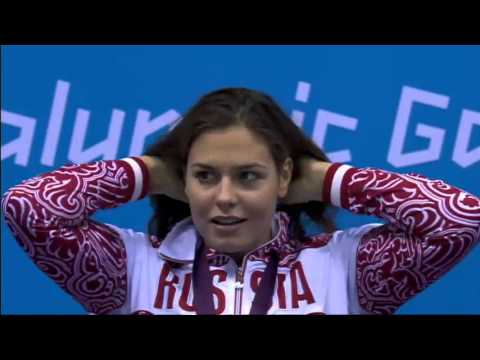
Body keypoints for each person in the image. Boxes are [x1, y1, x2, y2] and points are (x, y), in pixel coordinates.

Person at [2, 88, 479, 315]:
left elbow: (460, 220)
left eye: (249, 176)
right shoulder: (129, 268)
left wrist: (329, 181)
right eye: (205, 176)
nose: (224, 198)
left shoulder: (347, 268)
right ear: (182, 180)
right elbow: (28, 208)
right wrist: (149, 173)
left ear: (285, 177)